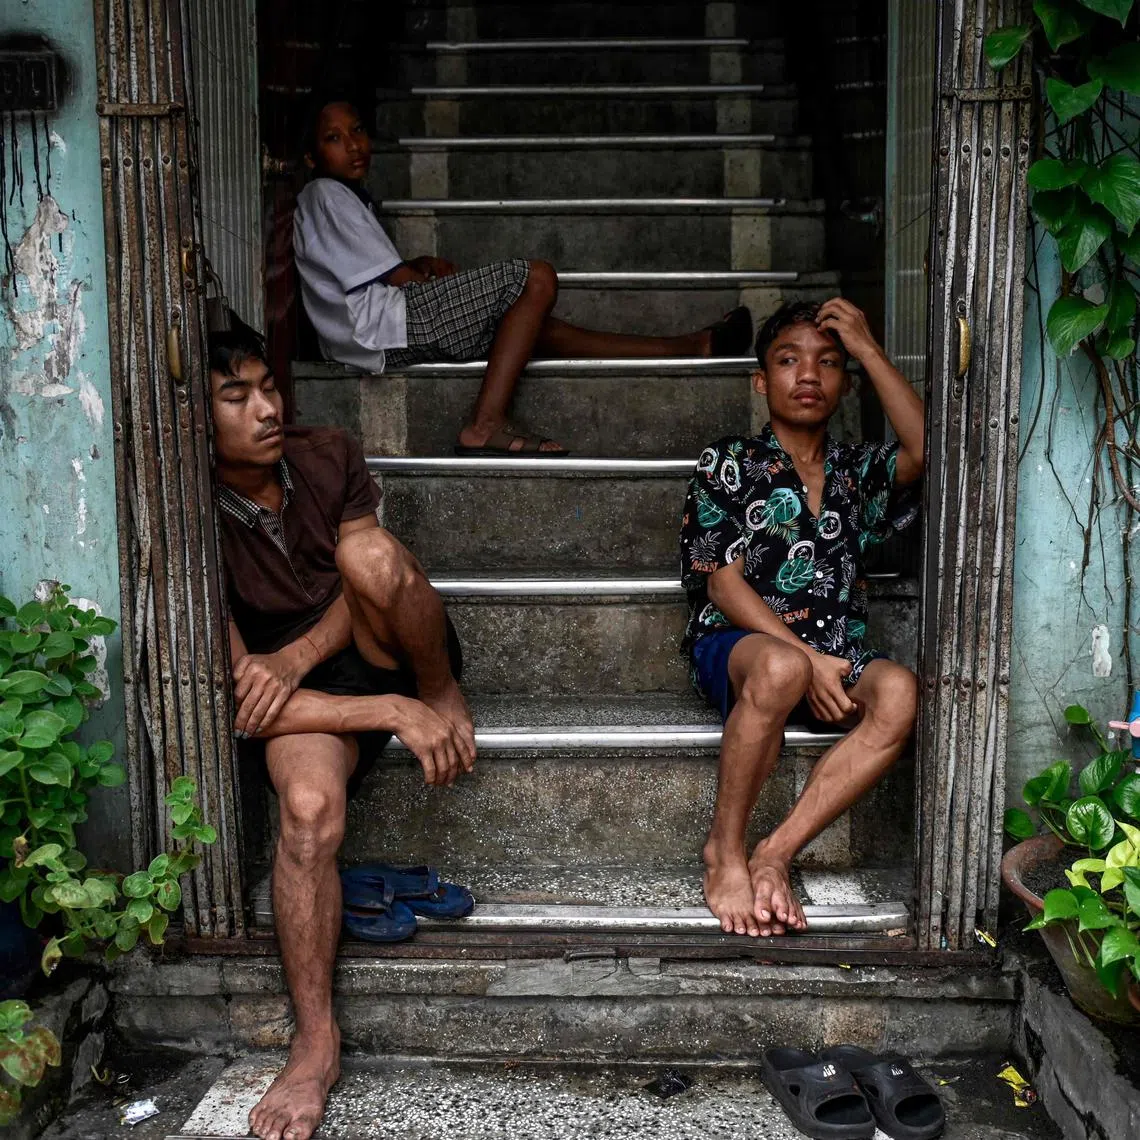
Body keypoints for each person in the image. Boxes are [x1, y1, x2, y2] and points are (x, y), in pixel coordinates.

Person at [209, 317, 474, 1140]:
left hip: (380, 640)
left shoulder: (327, 454)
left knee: (373, 560)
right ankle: (316, 1041)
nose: (265, 408)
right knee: (311, 814)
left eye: (268, 386)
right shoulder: (182, 514)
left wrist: (413, 692)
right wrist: (388, 713)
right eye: (235, 396)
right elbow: (236, 695)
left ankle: (445, 690)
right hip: (307, 708)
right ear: (194, 417)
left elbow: (367, 588)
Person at [292, 98, 754, 456]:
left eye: (357, 130)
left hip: (376, 333)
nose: (353, 144)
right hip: (386, 328)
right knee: (535, 279)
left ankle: (692, 346)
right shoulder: (325, 192)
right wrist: (420, 272)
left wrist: (419, 265)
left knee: (540, 331)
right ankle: (486, 423)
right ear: (310, 157)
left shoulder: (343, 197)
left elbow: (370, 271)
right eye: (334, 138)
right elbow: (396, 280)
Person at [680, 299, 924, 938]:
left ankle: (775, 852)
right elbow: (721, 579)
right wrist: (807, 659)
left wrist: (868, 346)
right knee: (784, 667)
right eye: (788, 362)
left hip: (837, 652)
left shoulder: (854, 469)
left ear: (845, 383)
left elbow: (921, 448)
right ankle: (724, 851)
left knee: (899, 692)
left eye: (828, 363)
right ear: (762, 382)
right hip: (741, 648)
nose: (808, 375)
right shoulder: (726, 462)